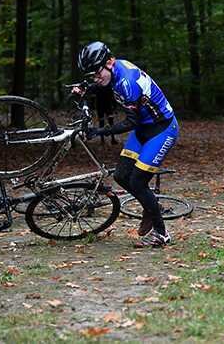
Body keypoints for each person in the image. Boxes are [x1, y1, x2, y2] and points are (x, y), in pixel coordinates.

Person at [76, 41, 178, 247]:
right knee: (121, 176)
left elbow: (130, 123)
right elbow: (105, 85)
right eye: (91, 75)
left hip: (162, 130)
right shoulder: (114, 70)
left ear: (109, 62)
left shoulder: (127, 82)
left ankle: (161, 234)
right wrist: (87, 89)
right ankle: (151, 206)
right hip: (144, 128)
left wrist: (99, 131)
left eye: (97, 73)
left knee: (138, 181)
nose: (96, 78)